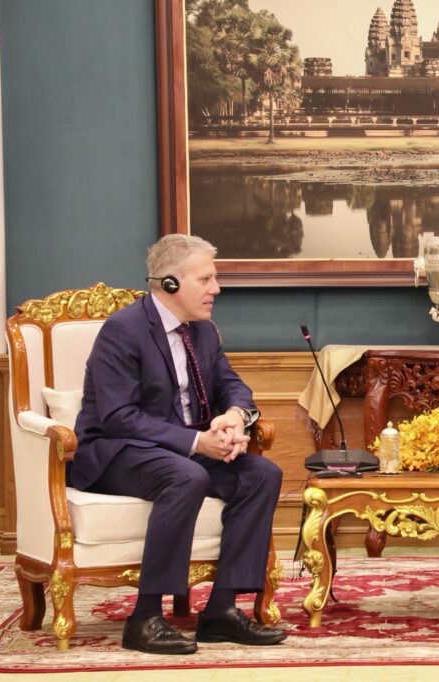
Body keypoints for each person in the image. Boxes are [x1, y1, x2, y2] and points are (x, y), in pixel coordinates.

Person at [69, 234, 286, 655]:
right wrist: (196, 442)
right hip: (116, 451)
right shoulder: (123, 330)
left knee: (262, 474)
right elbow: (117, 417)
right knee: (187, 475)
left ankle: (221, 611)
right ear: (169, 284)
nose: (215, 289)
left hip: (179, 450)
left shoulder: (203, 332)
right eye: (205, 279)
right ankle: (145, 618)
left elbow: (232, 385)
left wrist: (234, 416)